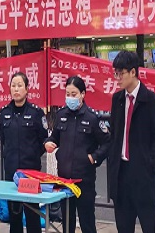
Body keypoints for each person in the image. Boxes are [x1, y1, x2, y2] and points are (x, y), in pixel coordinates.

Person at [107, 51, 155, 233]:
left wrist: (150, 163)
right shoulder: (117, 100)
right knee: (124, 226)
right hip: (121, 174)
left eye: (121, 73)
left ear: (133, 72)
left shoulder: (151, 101)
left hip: (143, 176)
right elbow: (114, 134)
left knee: (149, 225)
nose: (117, 78)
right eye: (115, 73)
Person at [45, 76, 111, 233]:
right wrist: (48, 143)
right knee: (67, 223)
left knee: (87, 222)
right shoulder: (61, 115)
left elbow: (107, 142)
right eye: (67, 94)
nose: (70, 98)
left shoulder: (92, 117)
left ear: (83, 94)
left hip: (84, 180)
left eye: (73, 94)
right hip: (64, 180)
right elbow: (54, 137)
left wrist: (94, 158)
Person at [0, 72, 46, 233]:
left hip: (30, 173)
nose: (16, 89)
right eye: (13, 86)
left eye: (20, 85)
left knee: (32, 214)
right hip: (11, 173)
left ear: (27, 89)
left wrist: (32, 155)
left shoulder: (36, 112)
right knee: (14, 215)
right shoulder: (4, 112)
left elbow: (43, 140)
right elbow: (4, 139)